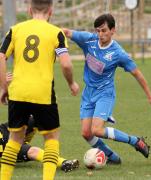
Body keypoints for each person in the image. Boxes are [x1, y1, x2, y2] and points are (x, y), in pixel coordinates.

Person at [63, 13, 151, 164]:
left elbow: (137, 73)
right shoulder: (89, 40)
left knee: (97, 130)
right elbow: (67, 32)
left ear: (113, 30)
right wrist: (46, 30)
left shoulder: (118, 53)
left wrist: (150, 96)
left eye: (104, 30)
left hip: (105, 93)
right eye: (98, 31)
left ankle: (135, 141)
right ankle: (112, 157)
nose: (100, 34)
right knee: (86, 133)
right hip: (88, 92)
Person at [0, 0, 79, 179]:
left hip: (18, 92)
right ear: (50, 11)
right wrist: (71, 83)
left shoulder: (15, 30)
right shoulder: (56, 33)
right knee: (51, 140)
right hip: (43, 94)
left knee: (14, 140)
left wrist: (3, 87)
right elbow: (66, 64)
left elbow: (1, 56)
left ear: (29, 10)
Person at [0, 116, 79, 173]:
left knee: (33, 119)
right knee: (32, 151)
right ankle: (64, 163)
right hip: (6, 147)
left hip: (4, 131)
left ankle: (24, 143)